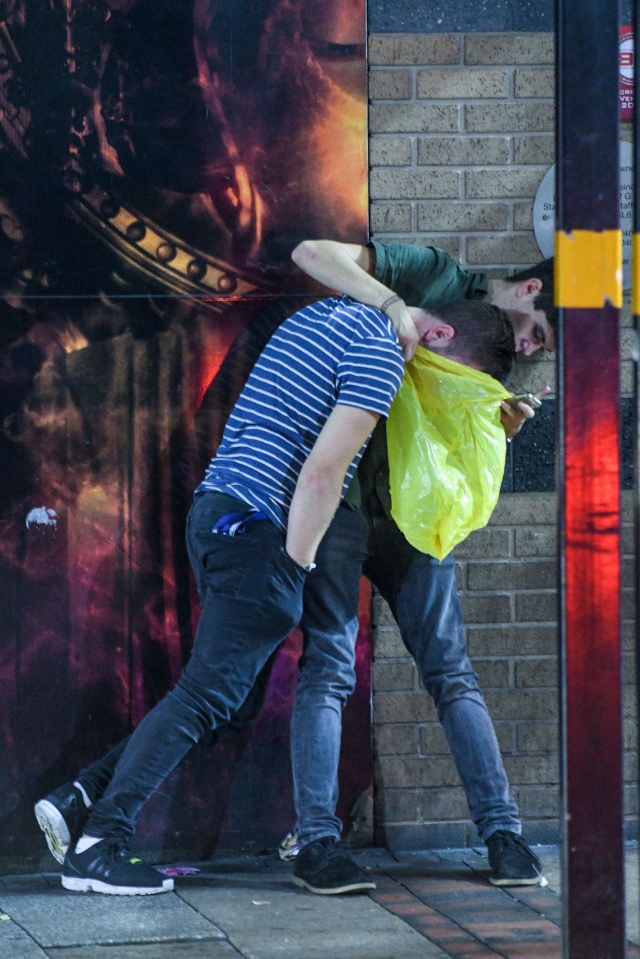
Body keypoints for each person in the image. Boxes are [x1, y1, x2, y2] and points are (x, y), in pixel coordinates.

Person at [40, 291, 513, 895]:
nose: (439, 388)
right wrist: (299, 564)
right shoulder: (382, 357)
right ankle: (100, 843)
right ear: (441, 337)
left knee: (221, 699)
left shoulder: (332, 313)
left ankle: (82, 796)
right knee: (206, 696)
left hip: (219, 514)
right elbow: (323, 474)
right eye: (453, 377)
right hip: (260, 530)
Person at [282, 239, 555, 893]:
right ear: (529, 291)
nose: (528, 352)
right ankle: (317, 842)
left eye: (539, 352)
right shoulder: (432, 275)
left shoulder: (493, 364)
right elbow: (311, 254)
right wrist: (392, 306)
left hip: (413, 512)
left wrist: (499, 429)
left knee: (450, 669)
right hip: (344, 493)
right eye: (536, 334)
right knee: (328, 664)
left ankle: (503, 835)